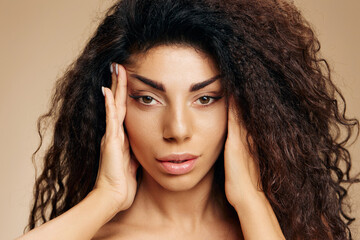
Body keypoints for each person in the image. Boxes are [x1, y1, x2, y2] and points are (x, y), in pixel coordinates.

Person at [17, 0, 359, 239]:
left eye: (205, 98)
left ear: (248, 107)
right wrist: (106, 196)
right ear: (116, 104)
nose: (177, 130)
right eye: (148, 98)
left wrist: (251, 200)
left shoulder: (290, 229)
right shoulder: (91, 234)